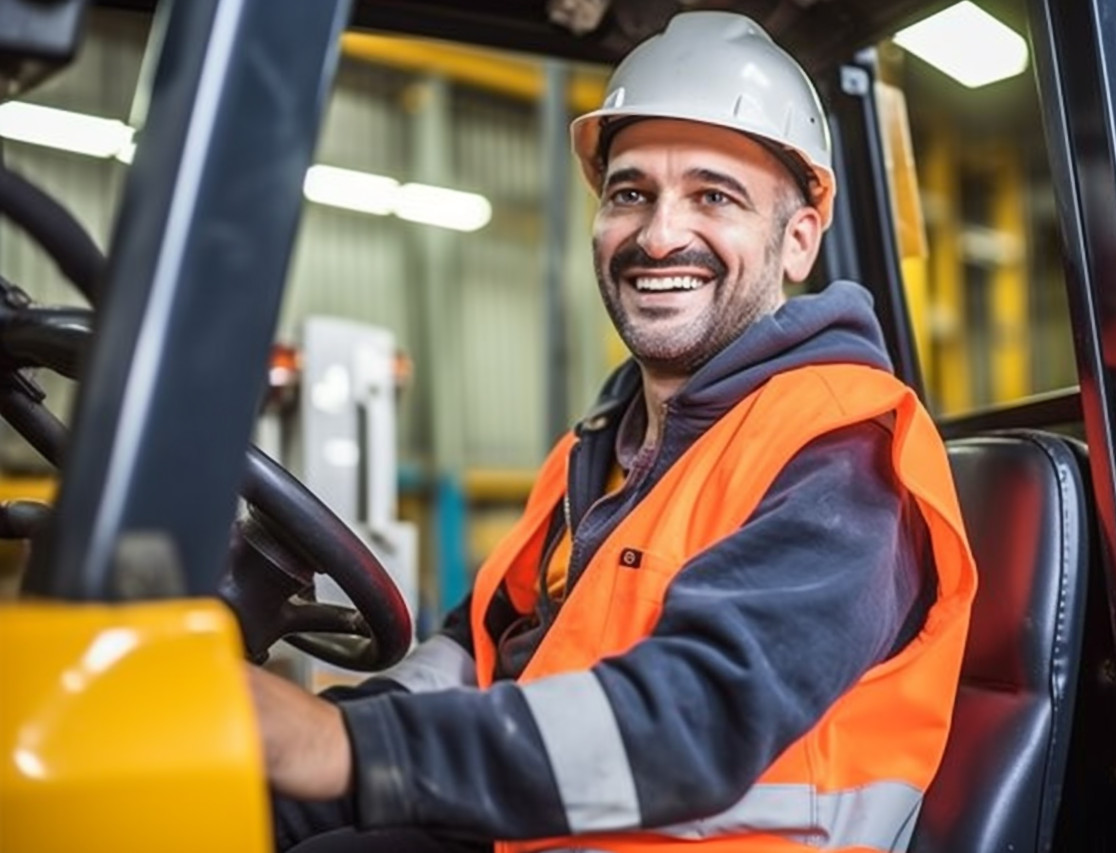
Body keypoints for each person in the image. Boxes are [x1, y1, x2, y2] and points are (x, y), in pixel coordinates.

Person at [249, 10, 977, 853]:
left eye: (714, 195)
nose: (660, 234)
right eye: (631, 192)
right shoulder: (598, 450)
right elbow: (481, 651)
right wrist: (310, 737)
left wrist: (344, 750)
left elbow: (699, 715)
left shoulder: (844, 450)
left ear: (798, 240)